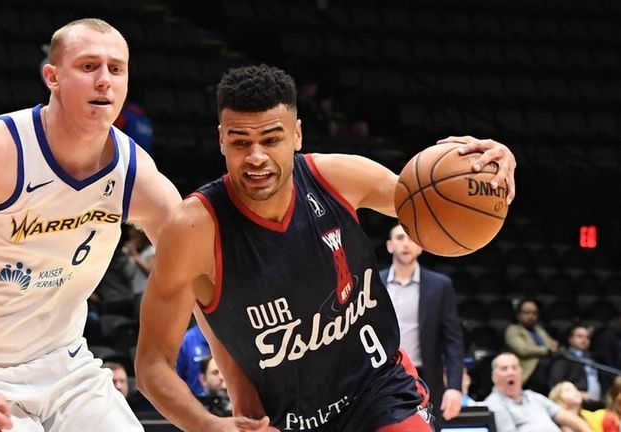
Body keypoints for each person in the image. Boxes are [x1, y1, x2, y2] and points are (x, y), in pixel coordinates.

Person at [135, 64, 517, 431]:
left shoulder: (336, 178)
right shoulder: (193, 229)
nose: (256, 157)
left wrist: (490, 173)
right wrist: (208, 426)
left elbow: (432, 203)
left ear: (297, 135)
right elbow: (152, 363)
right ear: (221, 139)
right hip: (284, 418)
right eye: (240, 142)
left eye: (271, 139)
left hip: (377, 389)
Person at [0, 18, 181, 432]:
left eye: (116, 69)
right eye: (88, 67)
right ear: (52, 76)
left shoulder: (135, 173)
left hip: (66, 364)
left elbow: (197, 279)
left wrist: (241, 390)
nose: (104, 80)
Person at [380, 223, 465, 420]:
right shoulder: (375, 282)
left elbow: (453, 340)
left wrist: (454, 386)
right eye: (400, 238)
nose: (406, 244)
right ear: (389, 245)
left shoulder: (440, 285)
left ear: (421, 246)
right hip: (383, 376)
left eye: (411, 238)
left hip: (425, 377)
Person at [484, 353, 592, 432]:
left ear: (521, 373)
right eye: (504, 369)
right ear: (494, 377)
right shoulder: (494, 403)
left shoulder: (534, 397)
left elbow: (567, 417)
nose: (511, 372)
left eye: (514, 368)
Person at [505, 298, 559, 395]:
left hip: (548, 368)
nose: (531, 316)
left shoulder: (539, 330)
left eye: (534, 313)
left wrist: (549, 349)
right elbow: (523, 350)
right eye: (527, 313)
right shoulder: (513, 330)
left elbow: (553, 344)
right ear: (518, 315)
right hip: (530, 371)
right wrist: (546, 351)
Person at [549, 324, 603, 404]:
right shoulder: (564, 358)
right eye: (579, 336)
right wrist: (577, 394)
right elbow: (556, 384)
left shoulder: (593, 359)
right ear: (570, 339)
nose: (584, 340)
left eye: (587, 337)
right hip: (574, 403)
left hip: (597, 403)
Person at [176, 323, 211, 396]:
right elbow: (178, 377)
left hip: (228, 397)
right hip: (197, 398)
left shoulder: (228, 334)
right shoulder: (187, 341)